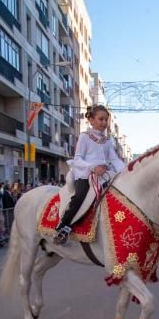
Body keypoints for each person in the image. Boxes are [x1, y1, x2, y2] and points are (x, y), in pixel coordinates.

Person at [54, 105, 125, 244]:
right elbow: (78, 158)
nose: (104, 123)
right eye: (101, 119)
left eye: (106, 120)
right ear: (91, 120)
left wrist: (126, 171)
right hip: (85, 174)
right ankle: (63, 226)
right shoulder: (84, 137)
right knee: (80, 196)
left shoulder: (107, 140)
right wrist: (92, 167)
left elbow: (115, 159)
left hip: (104, 175)